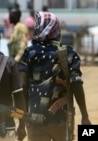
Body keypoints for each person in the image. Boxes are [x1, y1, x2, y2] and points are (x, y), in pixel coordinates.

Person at [19, 11, 91, 141]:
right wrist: (85, 116)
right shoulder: (69, 53)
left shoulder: (29, 53)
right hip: (61, 120)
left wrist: (22, 122)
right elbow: (76, 84)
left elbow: (22, 86)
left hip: (34, 120)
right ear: (56, 30)